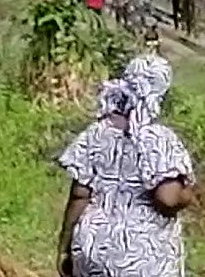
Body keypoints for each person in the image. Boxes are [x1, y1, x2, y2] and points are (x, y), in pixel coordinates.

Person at [55, 55, 196, 277]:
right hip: (142, 256)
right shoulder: (159, 138)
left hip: (92, 248)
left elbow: (80, 195)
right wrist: (187, 194)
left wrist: (65, 248)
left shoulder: (97, 132)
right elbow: (167, 198)